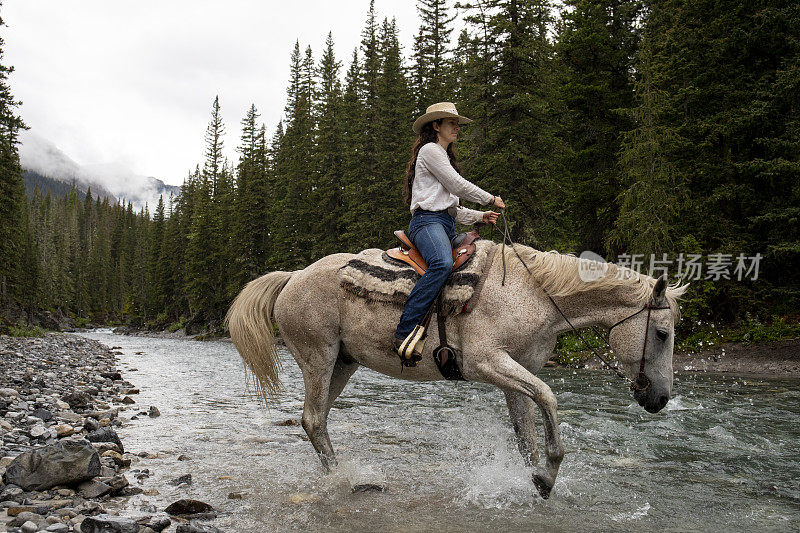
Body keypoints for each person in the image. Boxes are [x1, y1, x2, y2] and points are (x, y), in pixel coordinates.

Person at [395, 102, 505, 362]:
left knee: (477, 255)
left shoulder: (442, 157)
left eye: (457, 124)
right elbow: (457, 185)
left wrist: (481, 216)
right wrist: (489, 198)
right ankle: (404, 330)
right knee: (442, 264)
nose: (457, 128)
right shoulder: (430, 150)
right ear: (436, 126)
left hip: (443, 224)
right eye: (451, 123)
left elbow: (453, 210)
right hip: (425, 223)